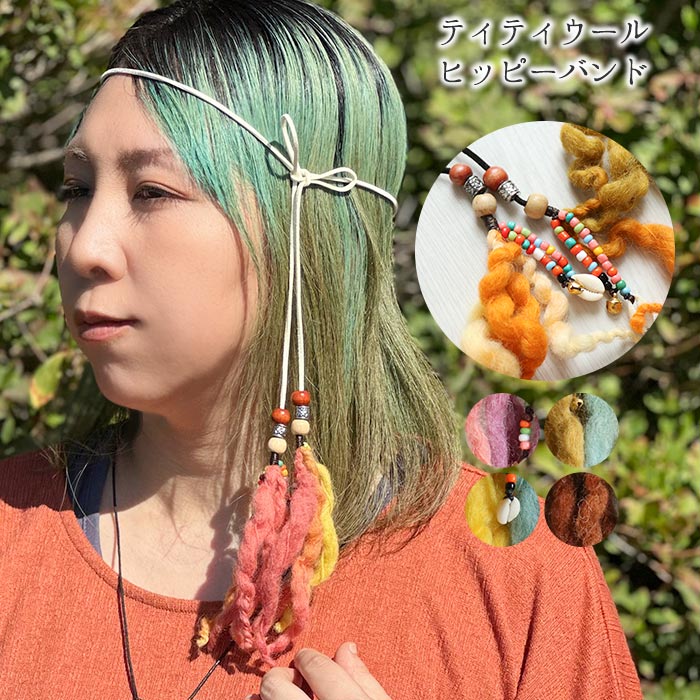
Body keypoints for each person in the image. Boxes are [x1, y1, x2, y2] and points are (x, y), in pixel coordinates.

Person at [0, 1, 644, 698]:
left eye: (151, 191)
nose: (83, 247)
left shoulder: (512, 567)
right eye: (77, 188)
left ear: (305, 224)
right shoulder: (13, 535)